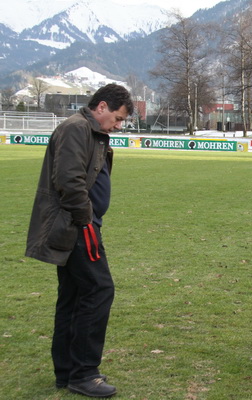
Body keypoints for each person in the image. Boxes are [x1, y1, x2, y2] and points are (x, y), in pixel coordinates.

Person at [26, 84, 133, 398]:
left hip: (78, 224)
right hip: (76, 225)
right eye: (117, 118)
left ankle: (67, 372)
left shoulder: (89, 130)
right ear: (101, 107)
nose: (118, 125)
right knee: (99, 289)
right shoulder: (77, 128)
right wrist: (86, 219)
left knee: (73, 296)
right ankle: (84, 373)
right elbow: (69, 181)